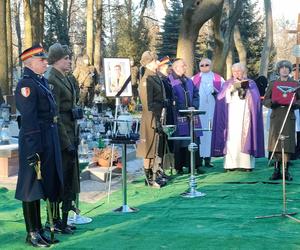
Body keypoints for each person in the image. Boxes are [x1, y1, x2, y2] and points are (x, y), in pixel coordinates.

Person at [15, 44, 63, 247]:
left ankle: (40, 229)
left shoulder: (40, 81)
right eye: (42, 60)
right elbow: (29, 119)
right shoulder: (26, 85)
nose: (46, 62)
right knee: (31, 186)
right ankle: (32, 232)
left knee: (42, 184)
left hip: (47, 138)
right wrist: (34, 149)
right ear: (30, 62)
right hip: (34, 141)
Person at [45, 43, 81, 234]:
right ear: (56, 59)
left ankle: (63, 220)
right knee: (58, 181)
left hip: (70, 133)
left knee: (69, 180)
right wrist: (66, 143)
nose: (69, 60)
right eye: (66, 58)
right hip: (61, 139)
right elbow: (55, 115)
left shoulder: (64, 77)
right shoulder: (51, 78)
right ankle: (53, 220)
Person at [211, 62, 265, 171]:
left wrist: (248, 92)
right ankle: (231, 164)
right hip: (231, 116)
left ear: (244, 71)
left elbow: (256, 99)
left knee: (246, 138)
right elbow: (220, 98)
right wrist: (230, 90)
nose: (237, 73)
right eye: (234, 71)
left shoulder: (251, 83)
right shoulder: (227, 83)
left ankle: (247, 165)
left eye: (239, 71)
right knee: (231, 138)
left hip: (246, 116)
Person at [263, 60, 300, 180]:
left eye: (286, 68)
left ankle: (286, 170)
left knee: (288, 144)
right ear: (278, 70)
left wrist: (294, 104)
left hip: (289, 115)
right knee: (276, 143)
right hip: (276, 115)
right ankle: (276, 170)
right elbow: (265, 100)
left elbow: (299, 100)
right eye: (282, 68)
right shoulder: (273, 83)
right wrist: (272, 103)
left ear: (290, 70)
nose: (284, 70)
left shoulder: (295, 84)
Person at [136, 51, 167, 188]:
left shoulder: (155, 76)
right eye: (155, 61)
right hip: (150, 118)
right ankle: (149, 178)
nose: (157, 63)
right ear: (149, 62)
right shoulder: (146, 79)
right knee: (148, 149)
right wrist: (155, 119)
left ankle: (155, 175)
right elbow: (147, 104)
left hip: (156, 116)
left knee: (155, 148)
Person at [169, 58, 203, 175]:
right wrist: (184, 108)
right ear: (175, 67)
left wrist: (194, 106)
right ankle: (180, 166)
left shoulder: (189, 80)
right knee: (182, 141)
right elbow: (174, 98)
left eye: (185, 65)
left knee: (194, 139)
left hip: (192, 114)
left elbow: (195, 94)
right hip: (179, 115)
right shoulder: (171, 81)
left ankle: (195, 166)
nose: (185, 67)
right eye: (183, 66)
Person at [192, 58, 225, 168]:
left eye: (207, 65)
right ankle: (199, 158)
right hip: (199, 112)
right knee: (200, 134)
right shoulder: (194, 79)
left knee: (210, 133)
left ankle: (208, 159)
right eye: (202, 65)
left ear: (210, 66)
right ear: (199, 67)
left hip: (212, 110)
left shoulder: (218, 79)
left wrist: (215, 92)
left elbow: (224, 95)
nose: (204, 67)